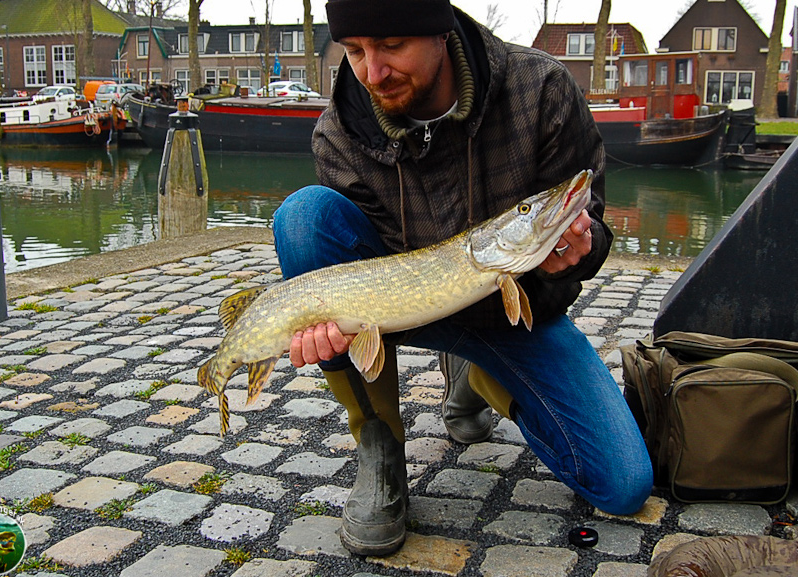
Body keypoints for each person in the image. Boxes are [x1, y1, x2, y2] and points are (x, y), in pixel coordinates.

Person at [272, 0, 653, 556]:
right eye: (355, 51)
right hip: (398, 307)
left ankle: (479, 375)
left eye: (392, 46)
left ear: (440, 31)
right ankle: (378, 443)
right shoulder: (340, 132)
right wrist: (326, 332)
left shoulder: (540, 89)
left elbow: (587, 215)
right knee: (305, 218)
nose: (372, 72)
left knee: (622, 486)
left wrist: (582, 245)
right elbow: (341, 261)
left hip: (512, 312)